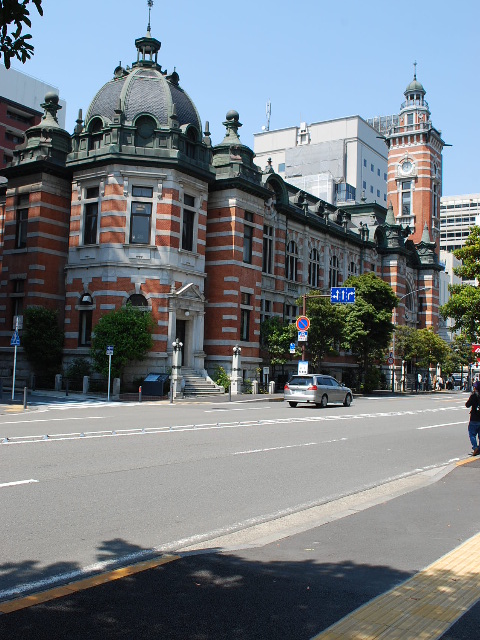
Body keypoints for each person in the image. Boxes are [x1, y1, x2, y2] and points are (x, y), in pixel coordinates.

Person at [465, 380, 480, 456]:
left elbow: (467, 405)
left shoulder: (474, 395)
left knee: (472, 434)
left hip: (474, 418)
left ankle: (475, 447)